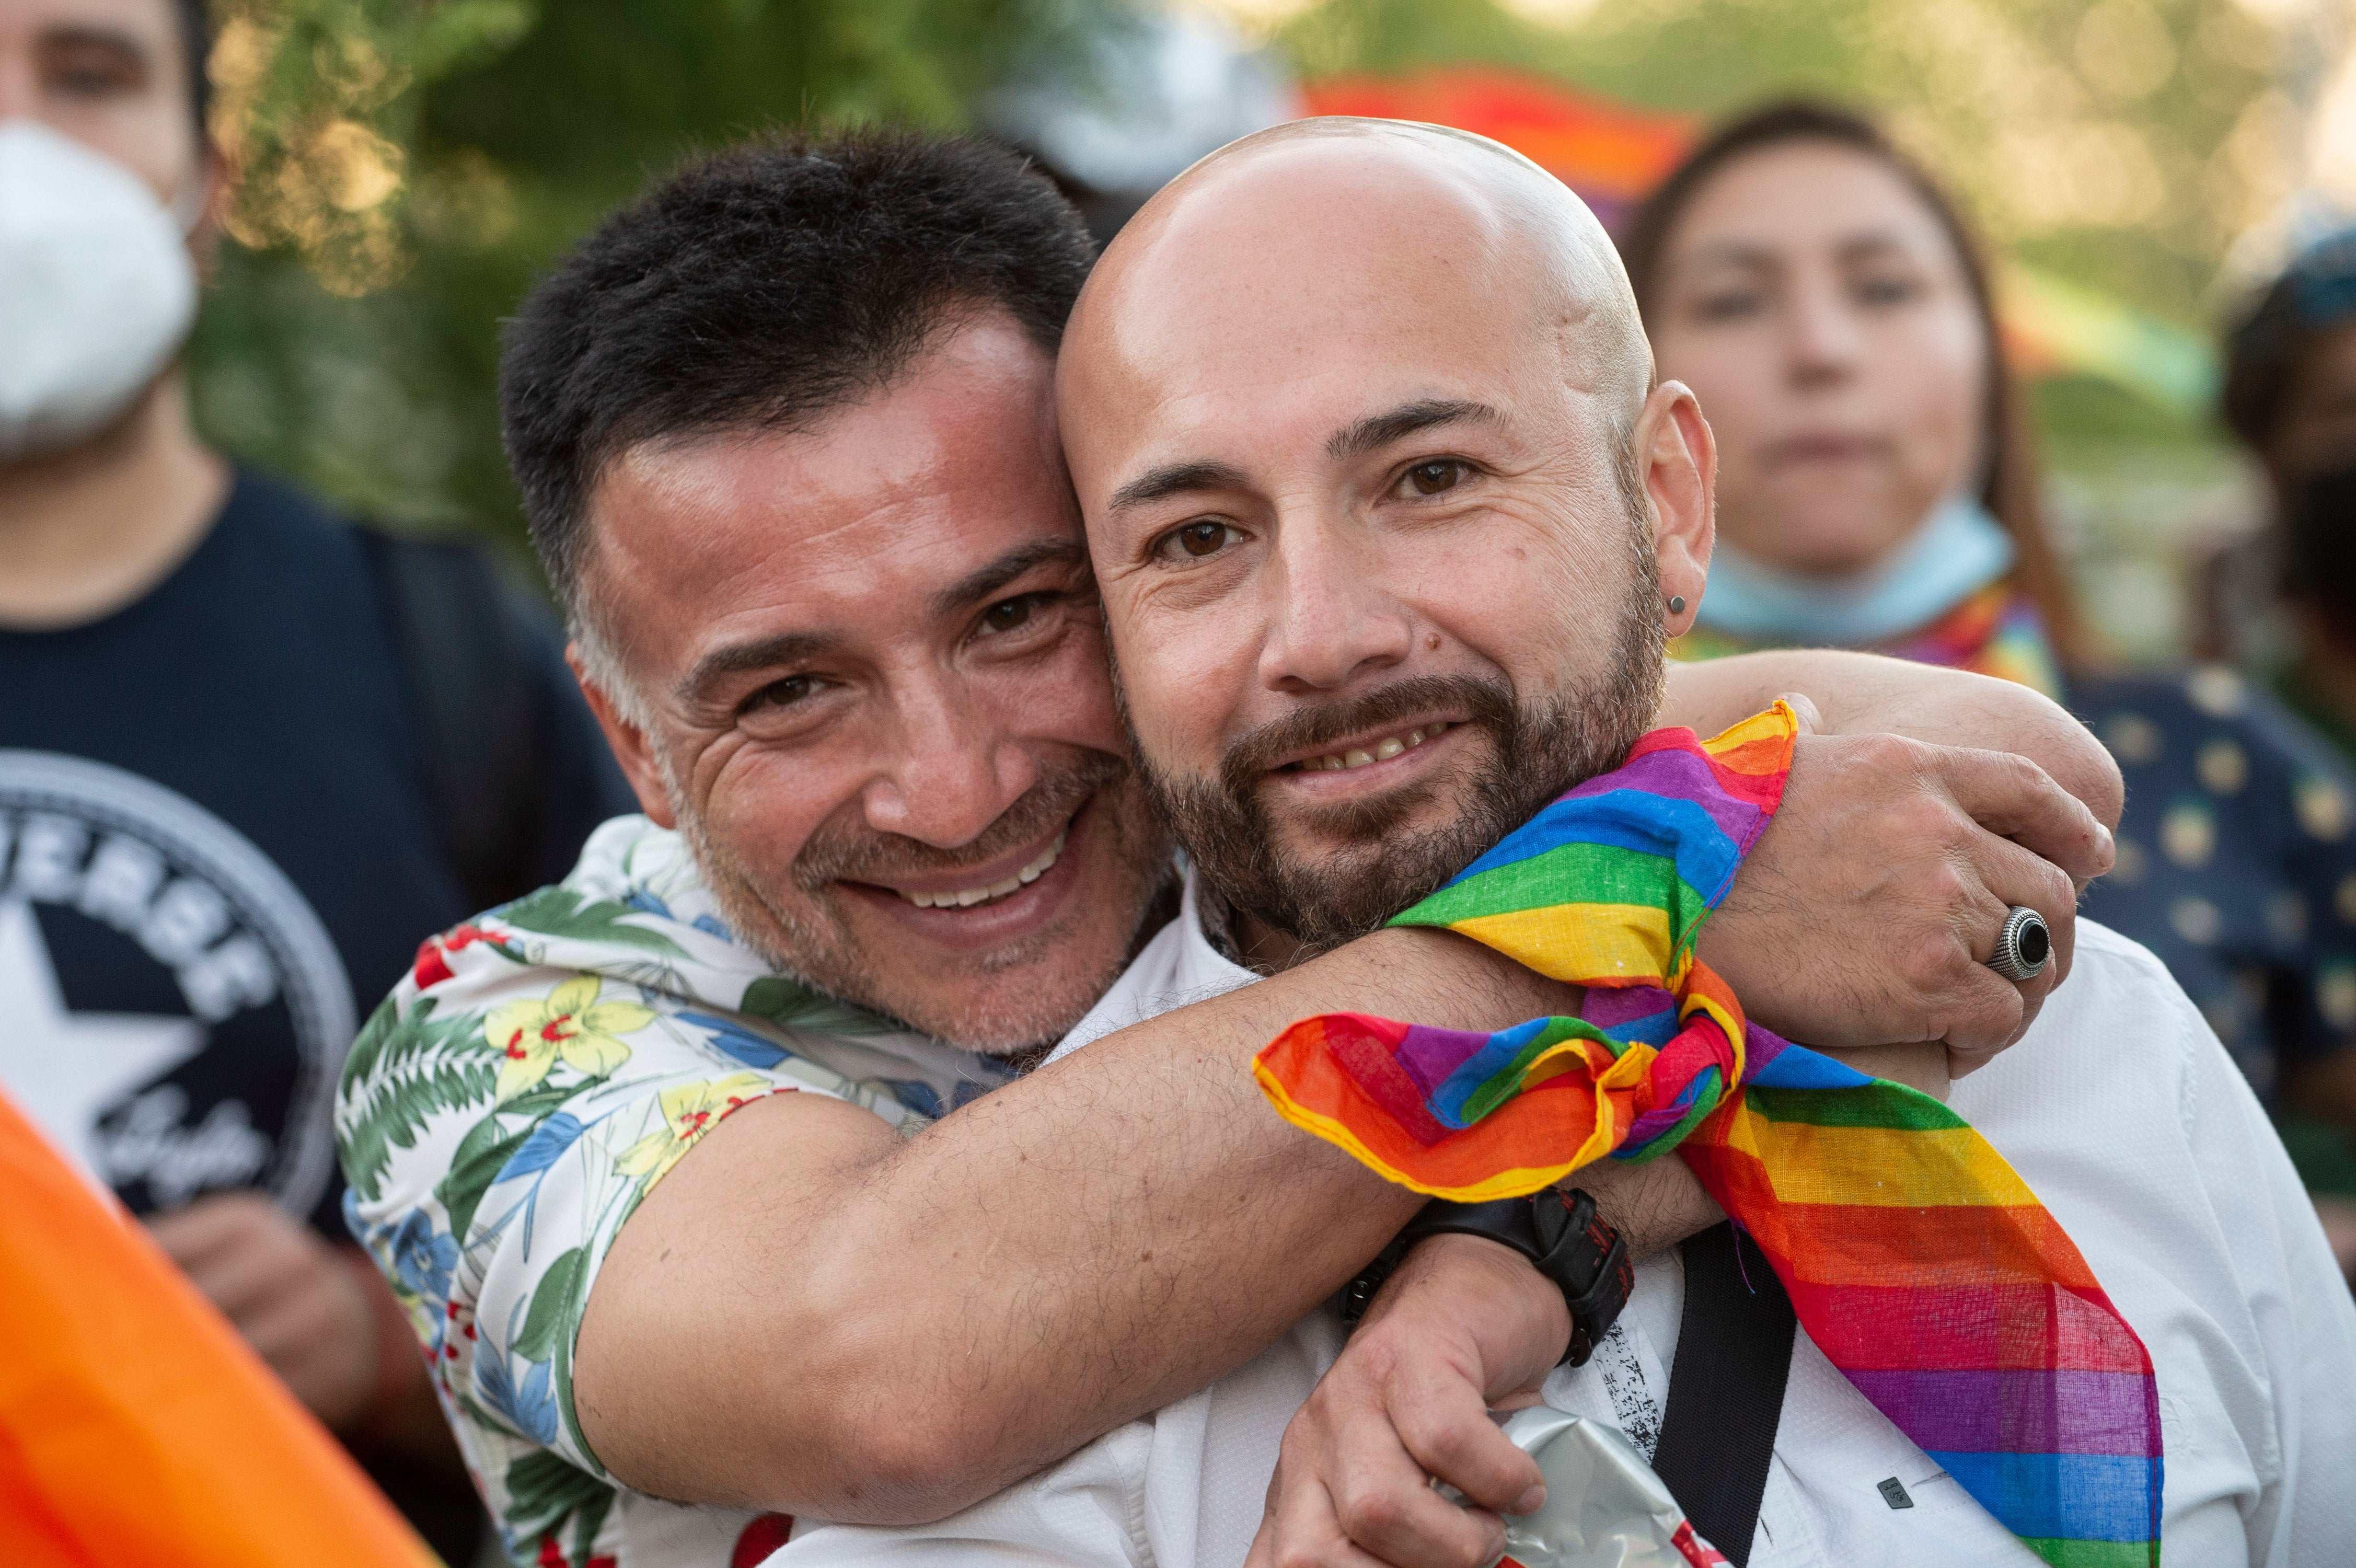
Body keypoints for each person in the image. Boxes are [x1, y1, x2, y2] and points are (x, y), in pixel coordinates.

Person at [341, 129, 2128, 1568]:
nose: (950, 788)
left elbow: (1974, 764)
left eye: (1018, 617)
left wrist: (1520, 1239)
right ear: (629, 739)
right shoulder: (502, 1043)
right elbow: (877, 1369)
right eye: (789, 695)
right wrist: (1638, 913)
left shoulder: (1309, 806)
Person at [1043, 117, 2352, 1568]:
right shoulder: (1027, 1332)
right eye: (1195, 540)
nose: (1321, 636)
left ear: (1665, 503)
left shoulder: (2095, 1057)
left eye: (1428, 478)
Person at [0, 0, 633, 1557]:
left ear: (203, 187)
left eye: (84, 75)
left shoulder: (441, 655)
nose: (15, 146)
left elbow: (682, 1215)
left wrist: (389, 1338)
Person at [1617, 99, 2356, 1272]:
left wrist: (2280, 1248)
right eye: (1732, 299)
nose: (1820, 347)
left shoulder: (2211, 754)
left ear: (1983, 352)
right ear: (1640, 404)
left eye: (1883, 288)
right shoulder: (1529, 796)